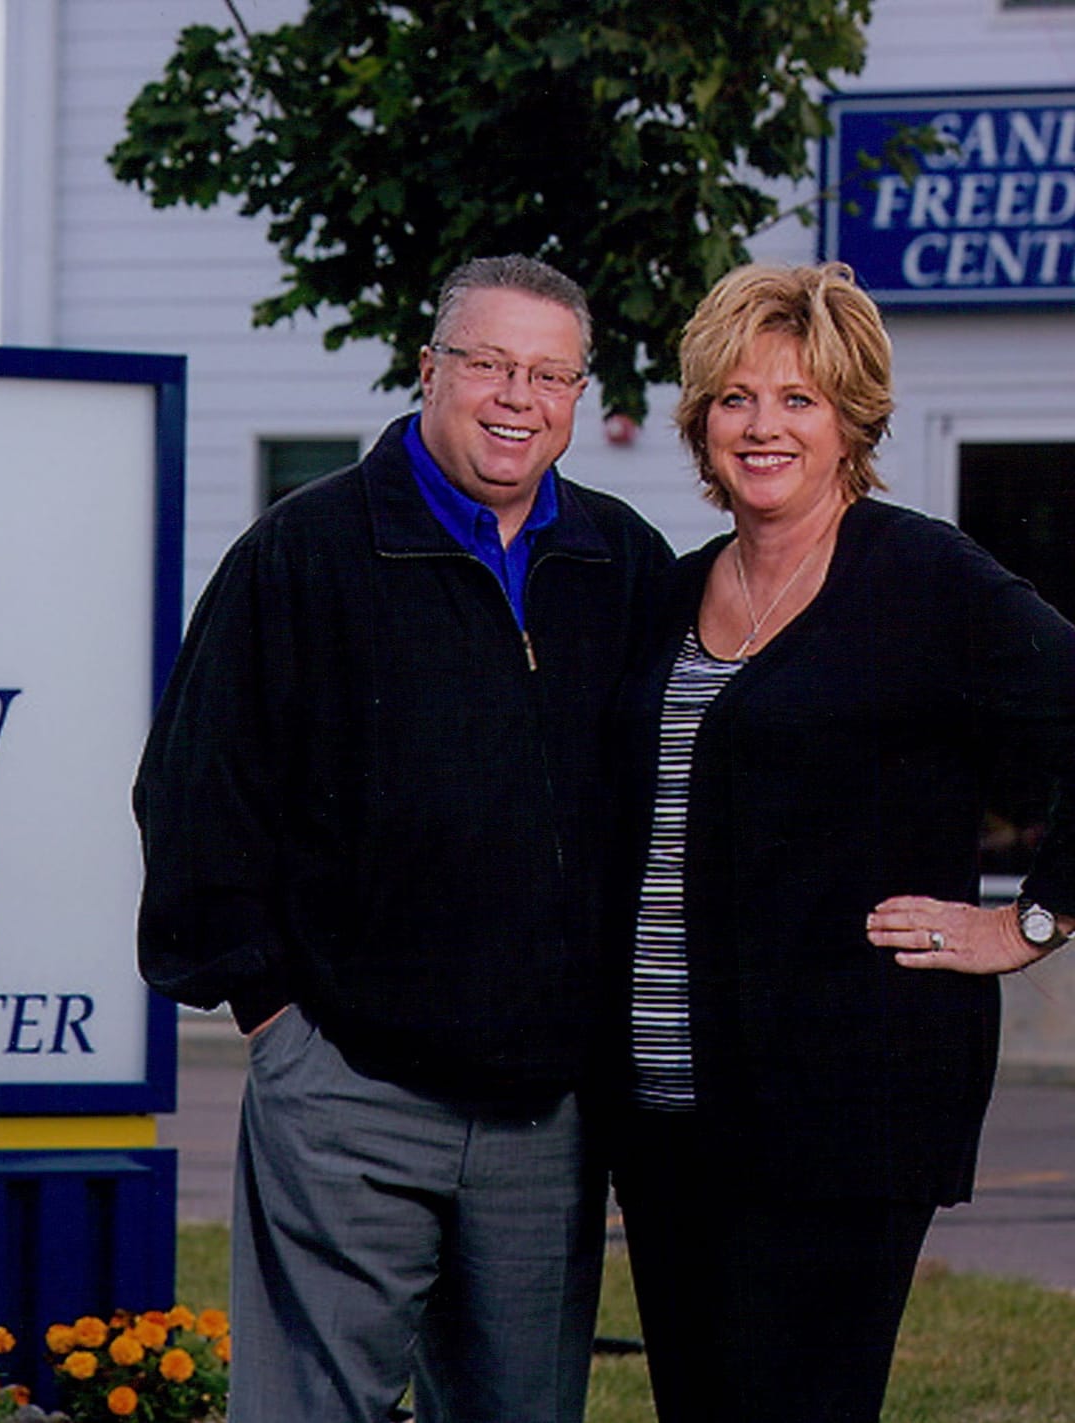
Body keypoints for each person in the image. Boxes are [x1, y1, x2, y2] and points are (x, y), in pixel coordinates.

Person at [134, 254, 672, 1423]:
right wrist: (272, 1021)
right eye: (487, 364)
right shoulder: (302, 554)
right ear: (429, 370)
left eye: (549, 373)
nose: (516, 397)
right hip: (344, 1093)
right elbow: (191, 794)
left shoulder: (620, 567)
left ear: (579, 397)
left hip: (546, 1118)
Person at [611, 261, 1075, 1423]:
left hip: (838, 1115)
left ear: (851, 420)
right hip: (667, 1114)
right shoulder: (669, 596)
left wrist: (1028, 920)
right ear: (698, 419)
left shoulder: (923, 580)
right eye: (733, 398)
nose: (761, 426)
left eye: (797, 399)